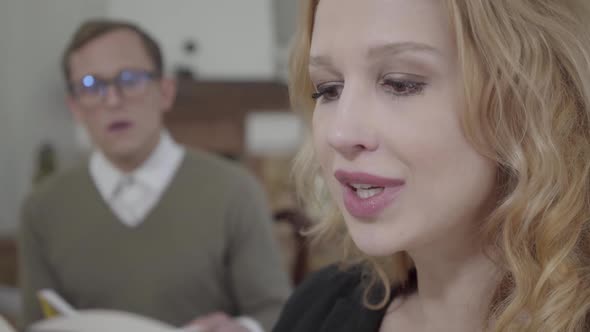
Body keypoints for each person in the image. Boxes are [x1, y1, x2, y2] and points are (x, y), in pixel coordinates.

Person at [273, 0, 590, 331]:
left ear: (530, 101)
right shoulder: (317, 308)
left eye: (400, 83)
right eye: (328, 90)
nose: (340, 133)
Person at [19, 19, 291, 332]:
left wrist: (242, 328)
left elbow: (276, 312)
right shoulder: (42, 209)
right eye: (92, 86)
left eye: (130, 79)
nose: (112, 100)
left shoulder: (234, 190)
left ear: (165, 91)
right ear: (76, 108)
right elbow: (36, 324)